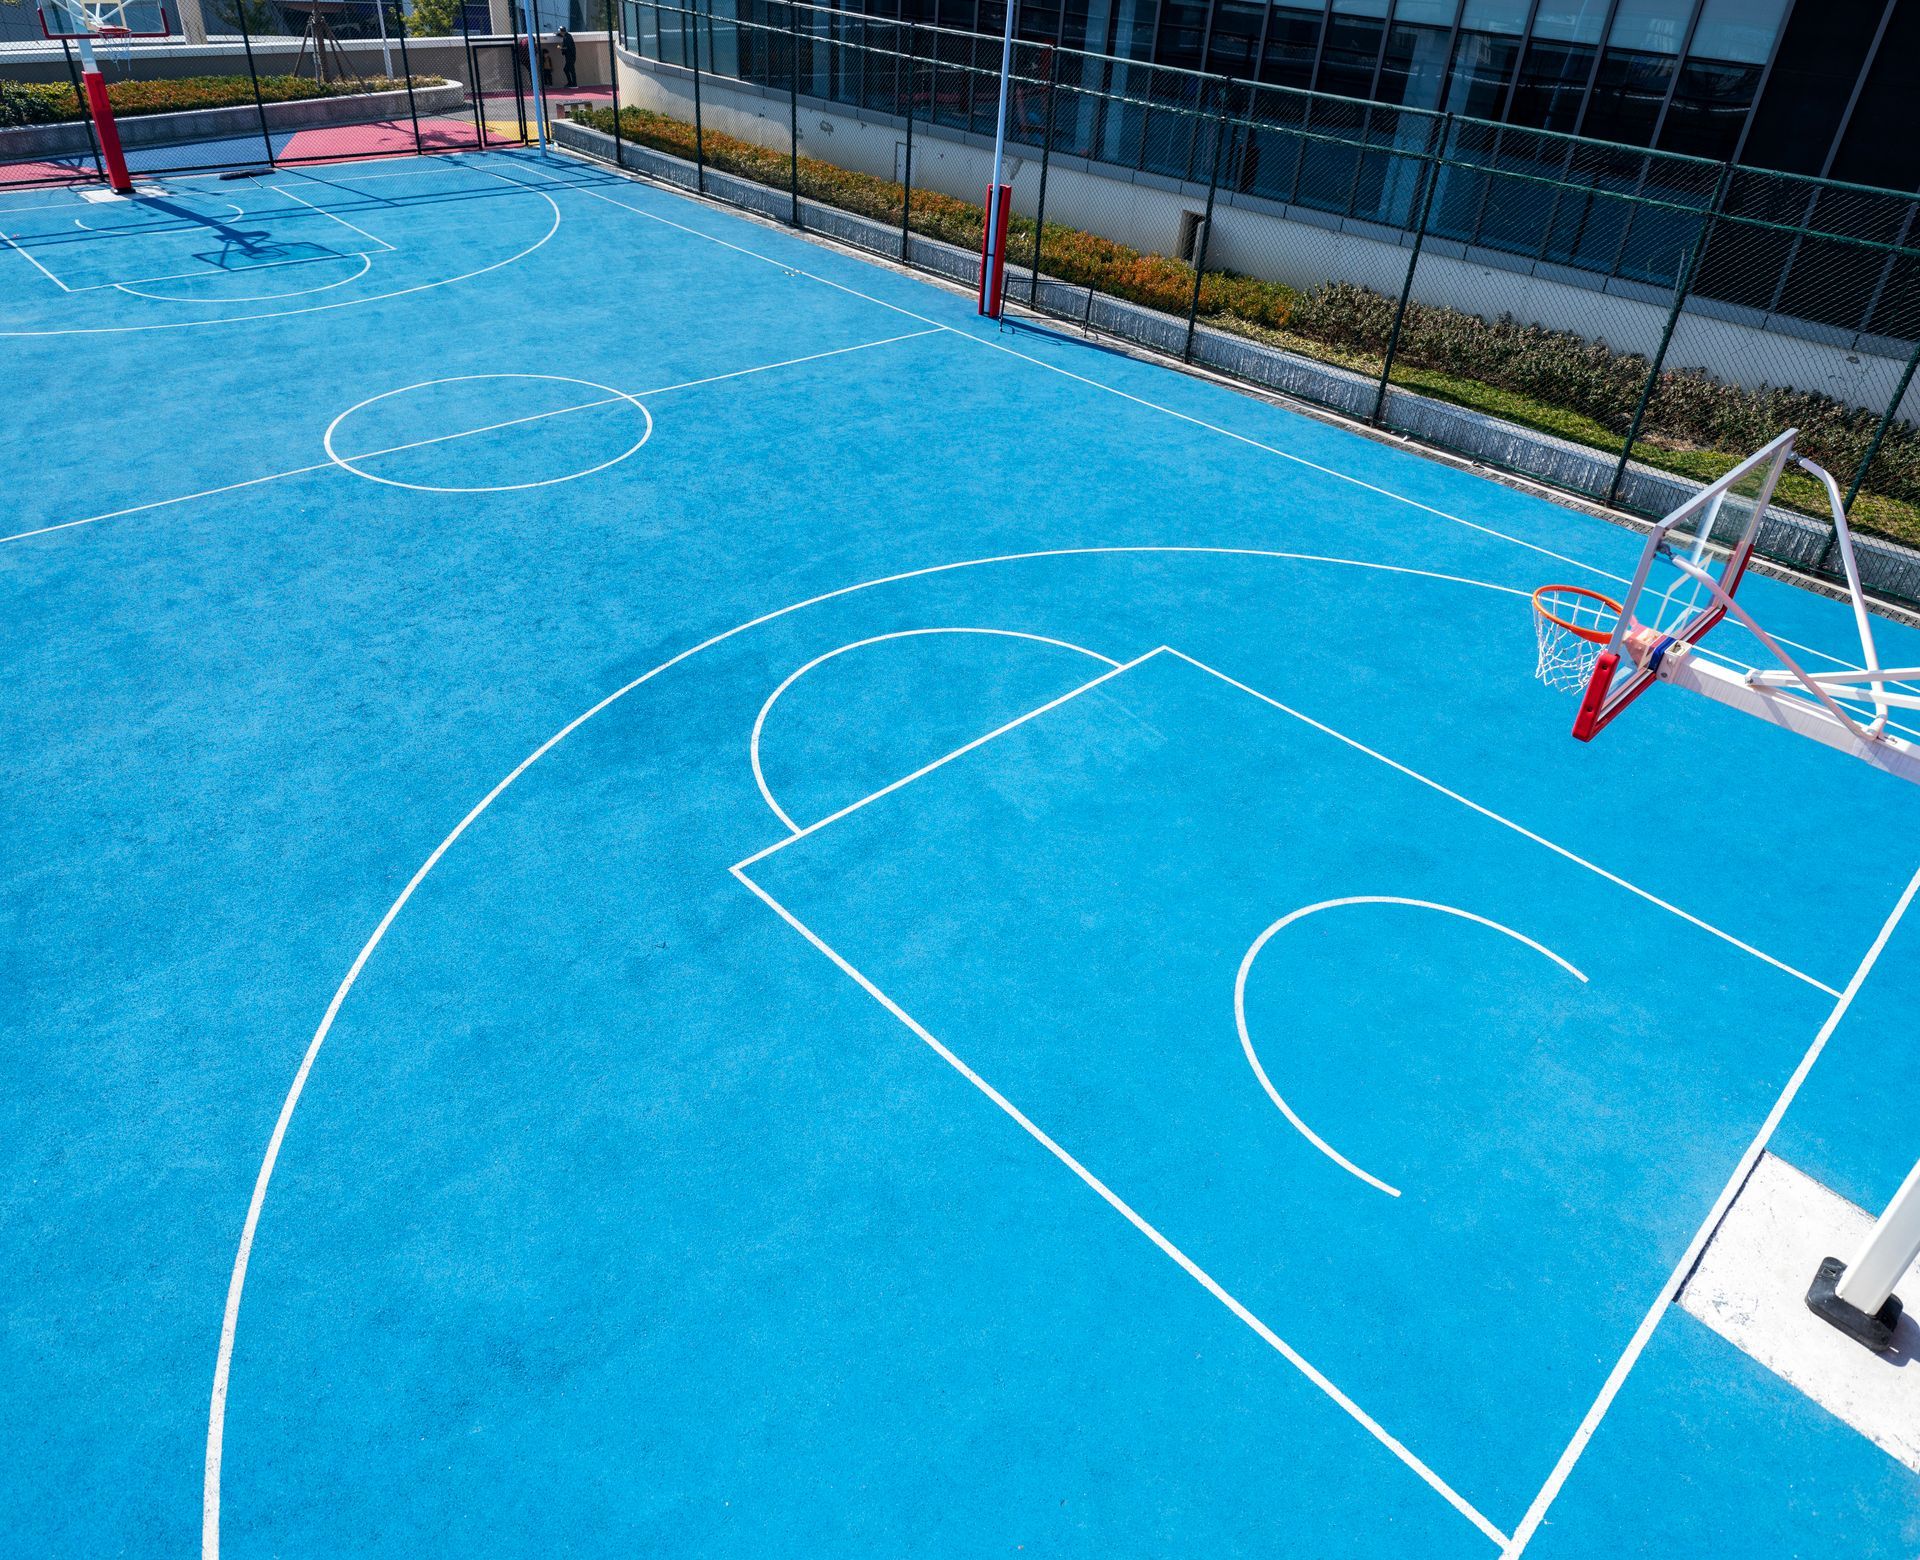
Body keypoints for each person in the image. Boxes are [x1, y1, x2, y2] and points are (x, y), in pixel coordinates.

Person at [556, 25, 577, 90]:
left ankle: (573, 83)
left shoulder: (567, 38)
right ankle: (572, 83)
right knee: (569, 70)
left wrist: (560, 47)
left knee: (570, 70)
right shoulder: (567, 36)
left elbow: (567, 47)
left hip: (570, 56)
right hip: (570, 56)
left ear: (562, 31)